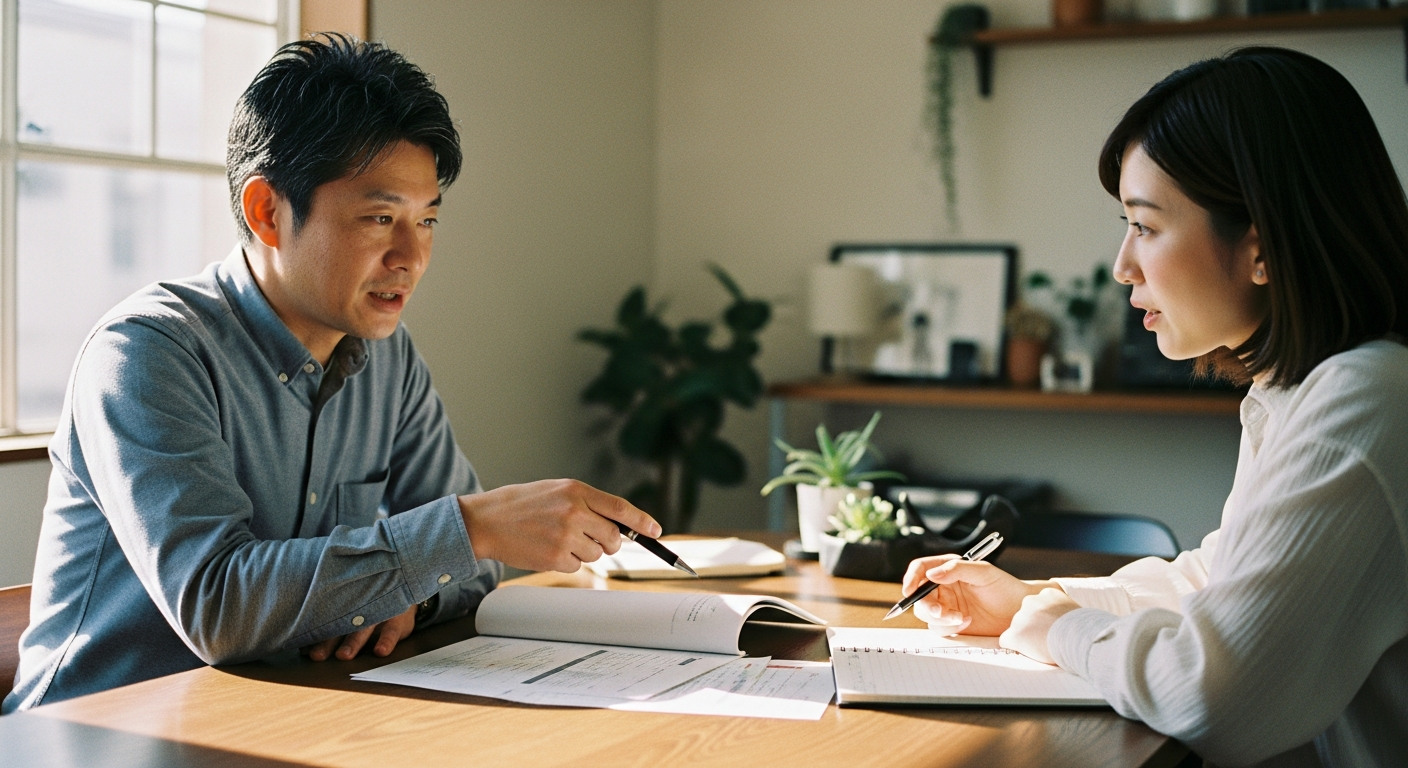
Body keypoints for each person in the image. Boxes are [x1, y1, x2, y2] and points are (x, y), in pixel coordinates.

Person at [2, 35, 659, 713]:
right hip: (91, 735)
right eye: (380, 218)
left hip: (278, 717)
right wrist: (465, 530)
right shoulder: (146, 353)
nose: (412, 256)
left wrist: (412, 591)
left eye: (427, 220)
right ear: (267, 211)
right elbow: (218, 607)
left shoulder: (389, 357)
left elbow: (474, 570)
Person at [901, 47, 1408, 768]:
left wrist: (1060, 627)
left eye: (1144, 225)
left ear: (1260, 248)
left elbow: (1215, 697)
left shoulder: (1368, 398)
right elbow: (1223, 578)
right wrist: (1033, 601)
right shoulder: (1300, 391)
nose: (1121, 266)